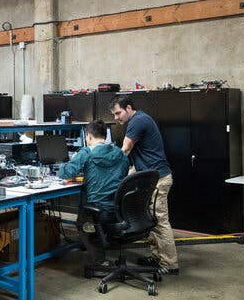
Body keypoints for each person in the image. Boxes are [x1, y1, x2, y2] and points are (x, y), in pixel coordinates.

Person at [109, 94, 179, 275]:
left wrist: (107, 165)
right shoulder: (138, 120)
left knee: (160, 220)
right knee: (152, 220)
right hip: (152, 179)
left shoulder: (137, 121)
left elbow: (125, 149)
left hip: (159, 180)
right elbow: (134, 164)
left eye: (118, 113)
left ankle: (170, 264)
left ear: (129, 108)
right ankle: (157, 257)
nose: (116, 118)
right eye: (114, 115)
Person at [58, 120, 129, 266]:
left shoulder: (86, 153)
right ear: (105, 135)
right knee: (92, 218)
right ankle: (103, 243)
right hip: (118, 210)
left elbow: (65, 173)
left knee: (82, 221)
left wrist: (67, 163)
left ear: (88, 136)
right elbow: (123, 174)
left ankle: (99, 260)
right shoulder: (120, 153)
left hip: (99, 211)